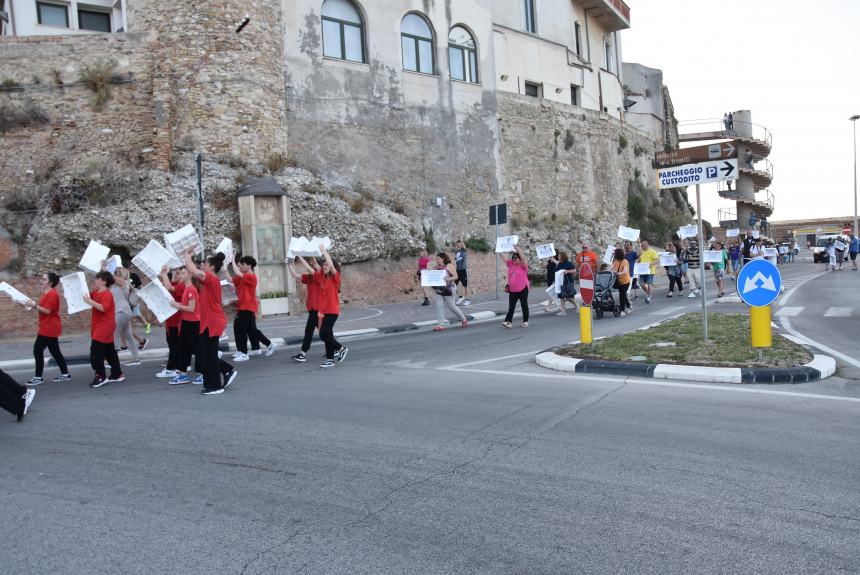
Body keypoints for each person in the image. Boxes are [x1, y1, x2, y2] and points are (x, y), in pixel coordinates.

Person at [184, 250, 236, 395]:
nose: (203, 265)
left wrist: (187, 256)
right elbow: (193, 273)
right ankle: (223, 373)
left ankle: (215, 386)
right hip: (208, 321)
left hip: (213, 321)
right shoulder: (207, 280)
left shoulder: (212, 279)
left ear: (212, 267)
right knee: (204, 354)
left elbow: (194, 271)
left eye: (205, 264)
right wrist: (188, 261)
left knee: (209, 354)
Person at [20, 272, 70, 385]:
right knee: (55, 352)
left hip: (49, 328)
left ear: (50, 282)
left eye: (43, 279)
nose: (41, 281)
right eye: (41, 279)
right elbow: (43, 308)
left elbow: (47, 311)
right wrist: (32, 306)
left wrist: (34, 305)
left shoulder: (52, 294)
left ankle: (38, 377)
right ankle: (65, 374)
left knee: (37, 351)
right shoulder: (47, 293)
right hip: (48, 326)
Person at [227, 255, 276, 362]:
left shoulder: (251, 277)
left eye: (242, 265)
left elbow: (237, 273)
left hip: (247, 307)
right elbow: (230, 279)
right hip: (244, 306)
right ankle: (258, 347)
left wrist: (232, 260)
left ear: (249, 266)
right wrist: (223, 268)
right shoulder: (243, 276)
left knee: (241, 329)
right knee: (251, 330)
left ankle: (243, 352)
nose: (240, 266)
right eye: (240, 265)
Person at [82, 271, 124, 388]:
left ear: (104, 281)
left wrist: (90, 301)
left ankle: (101, 376)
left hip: (104, 326)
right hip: (100, 325)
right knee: (109, 352)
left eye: (97, 278)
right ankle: (117, 374)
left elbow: (103, 308)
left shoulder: (107, 294)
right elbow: (86, 296)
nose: (95, 280)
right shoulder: (96, 292)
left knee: (95, 354)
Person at [316, 245, 349, 368]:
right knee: (328, 335)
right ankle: (330, 359)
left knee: (323, 335)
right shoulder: (324, 279)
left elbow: (330, 263)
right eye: (323, 265)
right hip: (324, 312)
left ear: (332, 268)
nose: (324, 266)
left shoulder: (335, 278)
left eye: (327, 265)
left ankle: (341, 349)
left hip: (332, 311)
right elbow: (314, 265)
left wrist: (324, 251)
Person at [166, 267, 199, 385]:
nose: (181, 275)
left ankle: (205, 373)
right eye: (181, 273)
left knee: (198, 350)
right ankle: (182, 374)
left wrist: (176, 305)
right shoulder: (186, 289)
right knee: (181, 349)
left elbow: (191, 308)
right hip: (185, 323)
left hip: (193, 323)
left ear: (190, 275)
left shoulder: (191, 290)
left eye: (184, 273)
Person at [288, 255, 322, 363]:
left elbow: (308, 268)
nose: (311, 266)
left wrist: (299, 256)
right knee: (324, 332)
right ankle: (336, 348)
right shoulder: (310, 277)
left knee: (309, 331)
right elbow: (294, 275)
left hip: (318, 308)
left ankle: (303, 353)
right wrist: (289, 264)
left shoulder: (321, 276)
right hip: (312, 308)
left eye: (313, 265)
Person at [110, 267, 142, 367]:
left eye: (116, 272)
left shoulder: (123, 282)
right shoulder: (115, 284)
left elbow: (110, 276)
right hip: (122, 311)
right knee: (129, 336)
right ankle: (136, 359)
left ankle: (111, 361)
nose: (114, 273)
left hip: (122, 311)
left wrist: (104, 268)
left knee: (113, 334)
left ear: (120, 274)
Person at [432, 252, 468, 331]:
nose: (437, 260)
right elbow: (433, 278)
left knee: (452, 307)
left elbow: (456, 276)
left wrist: (448, 279)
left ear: (443, 259)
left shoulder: (449, 266)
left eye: (438, 259)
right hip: (439, 289)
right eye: (436, 259)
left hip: (449, 288)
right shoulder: (436, 267)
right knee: (439, 306)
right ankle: (440, 325)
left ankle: (464, 319)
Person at [500, 245, 529, 328]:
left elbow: (523, 257)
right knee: (511, 306)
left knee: (524, 305)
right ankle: (508, 322)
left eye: (516, 257)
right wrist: (498, 250)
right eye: (513, 257)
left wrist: (517, 249)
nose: (514, 259)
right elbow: (504, 258)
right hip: (513, 290)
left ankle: (525, 321)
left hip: (523, 288)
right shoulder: (511, 265)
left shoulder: (523, 266)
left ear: (520, 259)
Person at [611, 248, 632, 314]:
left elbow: (625, 271)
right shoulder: (615, 261)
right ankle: (629, 306)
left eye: (615, 254)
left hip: (625, 281)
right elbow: (611, 268)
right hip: (619, 281)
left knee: (622, 295)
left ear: (618, 254)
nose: (614, 255)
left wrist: (618, 273)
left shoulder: (624, 261)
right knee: (623, 295)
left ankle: (623, 310)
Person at [454, 239, 471, 306]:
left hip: (463, 269)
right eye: (458, 243)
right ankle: (460, 297)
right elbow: (456, 261)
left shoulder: (463, 250)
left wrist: (461, 239)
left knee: (465, 286)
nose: (459, 244)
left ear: (461, 244)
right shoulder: (456, 252)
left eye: (460, 243)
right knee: (454, 285)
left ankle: (467, 300)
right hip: (458, 270)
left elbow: (464, 246)